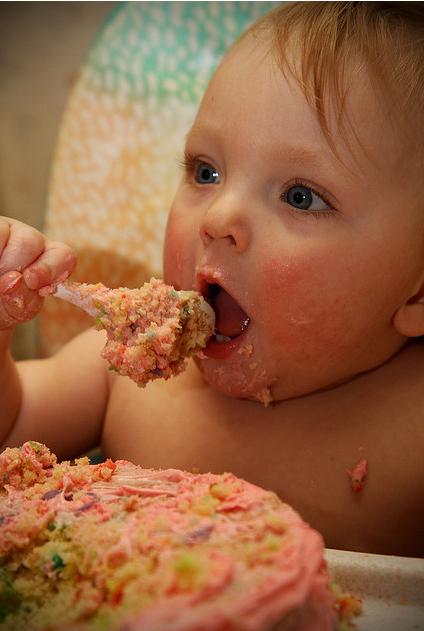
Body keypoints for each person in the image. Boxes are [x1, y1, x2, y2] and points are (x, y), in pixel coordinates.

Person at [1, 1, 423, 557]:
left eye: (301, 197)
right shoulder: (119, 380)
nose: (219, 217)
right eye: (207, 172)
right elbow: (12, 429)